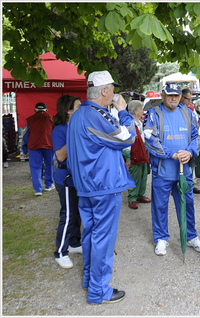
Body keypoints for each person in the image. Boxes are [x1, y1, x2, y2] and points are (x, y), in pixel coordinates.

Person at [67, 70, 136, 304]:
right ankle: (99, 290)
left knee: (91, 234)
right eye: (113, 90)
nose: (114, 94)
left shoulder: (78, 114)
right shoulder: (96, 114)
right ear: (104, 91)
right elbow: (126, 138)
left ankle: (90, 279)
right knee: (103, 239)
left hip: (86, 186)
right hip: (102, 185)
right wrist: (124, 112)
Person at [143, 82, 200, 256]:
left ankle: (191, 236)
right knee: (160, 206)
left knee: (187, 204)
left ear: (180, 96)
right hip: (162, 171)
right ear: (162, 95)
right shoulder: (153, 113)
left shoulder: (188, 113)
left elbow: (197, 136)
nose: (173, 98)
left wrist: (190, 151)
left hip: (184, 171)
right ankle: (161, 239)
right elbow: (150, 138)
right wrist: (172, 154)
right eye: (169, 95)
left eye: (176, 95)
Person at [52, 94, 82, 269]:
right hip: (65, 178)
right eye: (78, 106)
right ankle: (60, 252)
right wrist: (73, 133)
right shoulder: (60, 130)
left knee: (77, 212)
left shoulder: (76, 126)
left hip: (76, 178)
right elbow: (61, 155)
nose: (81, 109)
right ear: (69, 110)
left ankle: (74, 243)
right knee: (68, 215)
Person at [122, 100, 151, 210]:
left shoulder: (139, 122)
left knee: (143, 175)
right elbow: (126, 142)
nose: (143, 111)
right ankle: (132, 198)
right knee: (134, 177)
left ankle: (140, 195)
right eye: (141, 109)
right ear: (135, 111)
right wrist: (127, 157)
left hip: (141, 153)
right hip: (134, 154)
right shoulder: (130, 124)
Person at [22, 102, 55, 196]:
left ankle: (38, 190)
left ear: (35, 110)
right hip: (49, 145)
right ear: (46, 110)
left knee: (35, 167)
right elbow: (56, 134)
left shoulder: (30, 120)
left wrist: (24, 149)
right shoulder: (52, 118)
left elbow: (25, 135)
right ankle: (49, 185)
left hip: (34, 146)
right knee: (50, 165)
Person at [180, 88, 200, 194]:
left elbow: (195, 130)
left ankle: (190, 186)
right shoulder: (177, 113)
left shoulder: (190, 111)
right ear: (182, 98)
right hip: (181, 148)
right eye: (188, 99)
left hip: (190, 146)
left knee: (189, 169)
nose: (190, 102)